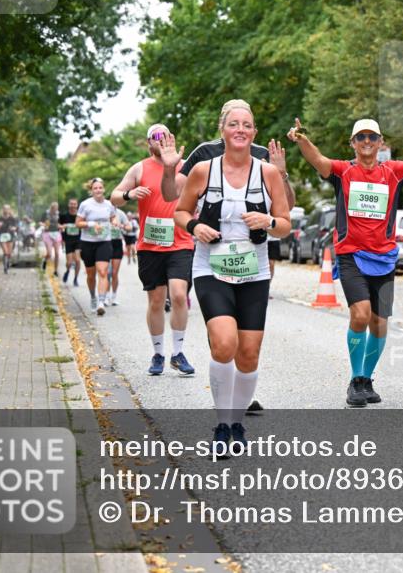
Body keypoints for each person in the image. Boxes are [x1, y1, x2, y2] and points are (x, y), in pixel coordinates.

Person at [287, 117, 403, 407]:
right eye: (361, 137)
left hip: (385, 258)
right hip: (351, 254)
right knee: (361, 315)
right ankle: (355, 381)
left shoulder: (393, 172)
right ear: (352, 143)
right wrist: (302, 139)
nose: (366, 142)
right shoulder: (343, 171)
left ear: (380, 142)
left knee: (379, 323)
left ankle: (366, 379)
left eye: (372, 137)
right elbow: (318, 160)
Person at [156, 99, 296, 411]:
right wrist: (169, 171)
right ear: (222, 125)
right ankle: (225, 407)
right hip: (212, 261)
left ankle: (238, 392)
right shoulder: (204, 156)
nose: (239, 129)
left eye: (246, 124)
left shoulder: (264, 159)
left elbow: (286, 210)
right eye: (232, 122)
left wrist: (282, 178)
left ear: (254, 128)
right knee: (224, 341)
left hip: (252, 263)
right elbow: (171, 196)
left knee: (246, 351)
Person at [111, 124, 196, 376]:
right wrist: (129, 193)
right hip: (150, 245)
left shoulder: (185, 166)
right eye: (155, 137)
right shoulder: (139, 168)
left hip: (180, 242)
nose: (160, 141)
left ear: (172, 139)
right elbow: (114, 196)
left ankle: (178, 353)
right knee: (156, 300)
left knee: (179, 295)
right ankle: (158, 354)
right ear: (148, 143)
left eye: (165, 135)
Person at [76, 178, 118, 315]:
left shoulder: (109, 204)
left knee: (103, 271)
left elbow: (113, 217)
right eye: (95, 188)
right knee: (90, 274)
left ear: (104, 189)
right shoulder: (85, 205)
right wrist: (91, 224)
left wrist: (115, 220)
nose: (98, 190)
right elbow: (78, 223)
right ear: (91, 191)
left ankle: (101, 302)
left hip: (104, 241)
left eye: (100, 187)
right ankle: (93, 296)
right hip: (88, 242)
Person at [106, 207, 130, 306]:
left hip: (117, 243)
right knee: (107, 273)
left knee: (115, 273)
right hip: (105, 243)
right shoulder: (104, 211)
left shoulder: (121, 213)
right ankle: (106, 296)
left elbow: (129, 228)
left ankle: (114, 296)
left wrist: (121, 226)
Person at [59, 198, 82, 286]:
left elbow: (85, 224)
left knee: (77, 260)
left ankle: (75, 278)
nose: (73, 206)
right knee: (69, 262)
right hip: (68, 240)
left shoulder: (80, 216)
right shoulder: (64, 216)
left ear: (77, 205)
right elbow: (58, 225)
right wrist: (62, 226)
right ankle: (67, 271)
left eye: (74, 204)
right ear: (69, 205)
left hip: (78, 240)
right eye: (71, 204)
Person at [0, 204, 20, 274]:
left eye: (7, 209)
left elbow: (16, 228)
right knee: (5, 252)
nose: (6, 210)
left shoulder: (12, 219)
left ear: (9, 210)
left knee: (9, 253)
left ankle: (7, 263)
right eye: (5, 208)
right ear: (3, 210)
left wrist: (14, 228)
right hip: (2, 236)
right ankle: (5, 267)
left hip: (10, 236)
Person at [40, 202, 62, 277]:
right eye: (54, 208)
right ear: (51, 208)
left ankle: (55, 271)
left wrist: (61, 226)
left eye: (56, 208)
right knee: (49, 253)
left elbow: (61, 223)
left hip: (56, 233)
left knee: (57, 253)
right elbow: (40, 222)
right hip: (47, 233)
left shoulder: (59, 214)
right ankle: (44, 261)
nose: (55, 210)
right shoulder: (45, 214)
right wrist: (44, 225)